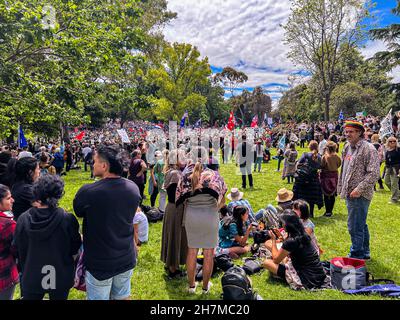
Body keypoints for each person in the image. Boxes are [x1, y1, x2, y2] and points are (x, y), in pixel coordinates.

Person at [73, 145, 141, 300]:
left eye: (94, 161)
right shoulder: (133, 188)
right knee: (123, 295)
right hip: (125, 255)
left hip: (100, 261)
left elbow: (78, 212)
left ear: (104, 166)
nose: (92, 164)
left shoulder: (88, 192)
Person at [13, 175, 82, 300]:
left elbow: (17, 248)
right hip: (60, 274)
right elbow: (74, 247)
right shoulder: (67, 219)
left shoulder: (23, 218)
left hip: (31, 273)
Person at [176, 150, 227, 294]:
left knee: (192, 251)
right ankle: (205, 288)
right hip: (210, 216)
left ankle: (192, 286)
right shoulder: (215, 175)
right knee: (209, 253)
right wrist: (214, 209)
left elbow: (178, 199)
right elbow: (223, 200)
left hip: (192, 216)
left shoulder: (185, 175)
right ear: (206, 158)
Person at [337, 120, 380, 260]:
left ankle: (356, 255)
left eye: (351, 132)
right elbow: (344, 169)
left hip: (359, 194)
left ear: (359, 132)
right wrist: (340, 186)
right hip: (349, 192)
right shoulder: (346, 147)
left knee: (354, 226)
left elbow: (374, 173)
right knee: (360, 223)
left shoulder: (368, 148)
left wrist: (359, 189)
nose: (348, 134)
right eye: (346, 131)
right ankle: (365, 252)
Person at [262, 212, 329, 290]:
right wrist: (281, 236)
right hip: (317, 273)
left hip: (305, 278)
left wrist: (273, 240)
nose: (282, 225)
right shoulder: (303, 234)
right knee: (282, 258)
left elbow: (276, 260)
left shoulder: (291, 241)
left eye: (283, 223)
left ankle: (288, 278)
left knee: (266, 263)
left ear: (289, 225)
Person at [160, 150, 188, 279]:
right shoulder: (176, 174)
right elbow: (175, 195)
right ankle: (173, 268)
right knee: (175, 236)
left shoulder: (172, 171)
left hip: (172, 208)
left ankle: (170, 263)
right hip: (176, 208)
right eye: (182, 157)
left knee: (172, 235)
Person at [292, 141, 323, 218]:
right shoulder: (319, 157)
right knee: (311, 199)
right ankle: (311, 213)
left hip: (303, 179)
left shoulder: (305, 155)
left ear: (309, 147)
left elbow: (298, 164)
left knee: (301, 197)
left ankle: (301, 213)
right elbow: (320, 167)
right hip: (313, 180)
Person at [0, 185, 18, 300]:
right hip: (4, 276)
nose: (12, 200)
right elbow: (17, 248)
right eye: (8, 198)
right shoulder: (7, 224)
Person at [10, 157, 40, 222]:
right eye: (38, 169)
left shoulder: (18, 183)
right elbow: (44, 208)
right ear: (30, 172)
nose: (39, 171)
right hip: (26, 226)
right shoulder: (26, 190)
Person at [320, 141, 342, 217]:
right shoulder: (337, 157)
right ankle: (330, 211)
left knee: (326, 195)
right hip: (334, 176)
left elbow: (322, 165)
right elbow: (339, 164)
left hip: (326, 176)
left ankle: (327, 211)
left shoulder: (325, 157)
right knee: (332, 194)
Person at [383, 137, 400, 204]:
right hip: (388, 168)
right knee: (386, 181)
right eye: (390, 141)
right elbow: (386, 160)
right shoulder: (387, 150)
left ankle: (394, 199)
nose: (392, 142)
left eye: (394, 141)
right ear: (388, 142)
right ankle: (397, 194)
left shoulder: (398, 149)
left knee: (394, 184)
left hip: (396, 168)